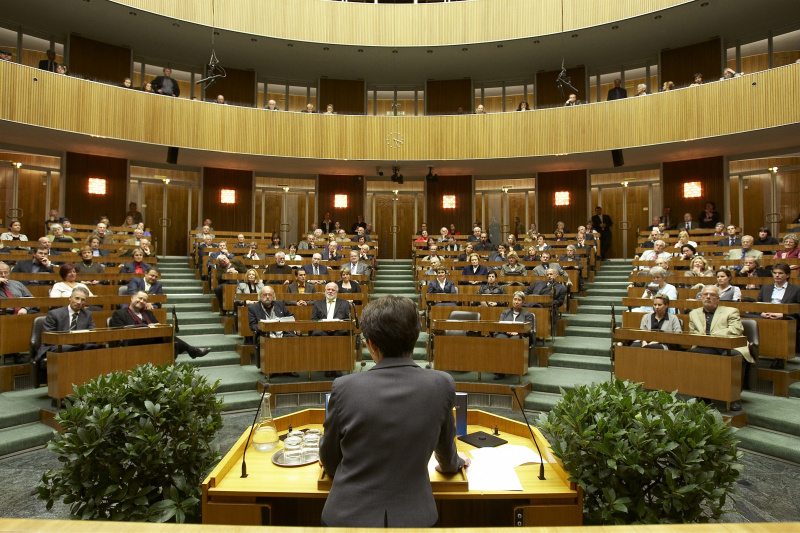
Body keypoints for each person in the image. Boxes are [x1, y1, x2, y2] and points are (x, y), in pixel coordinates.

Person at [319, 295, 467, 527]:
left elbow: (329, 461)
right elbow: (448, 461)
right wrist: (458, 461)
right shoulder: (442, 384)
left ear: (371, 344)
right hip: (417, 518)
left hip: (347, 517)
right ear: (416, 336)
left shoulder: (344, 387)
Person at [688, 285, 751, 411]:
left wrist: (713, 336)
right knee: (692, 354)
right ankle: (703, 394)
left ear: (718, 298)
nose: (708, 297)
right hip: (706, 346)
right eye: (705, 294)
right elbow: (693, 333)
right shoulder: (694, 313)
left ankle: (734, 397)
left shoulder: (731, 311)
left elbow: (736, 330)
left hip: (727, 345)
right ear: (701, 297)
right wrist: (707, 340)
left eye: (712, 295)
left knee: (732, 358)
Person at [111, 291, 210, 359]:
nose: (142, 301)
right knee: (169, 340)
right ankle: (192, 350)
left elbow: (157, 327)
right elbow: (120, 332)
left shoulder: (149, 313)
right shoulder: (119, 313)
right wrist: (146, 327)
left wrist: (157, 327)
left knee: (170, 340)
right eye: (140, 298)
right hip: (132, 342)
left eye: (144, 300)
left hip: (152, 339)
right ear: (132, 298)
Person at [34, 287, 97, 371]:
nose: (79, 302)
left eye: (82, 300)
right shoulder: (54, 314)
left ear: (85, 302)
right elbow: (49, 337)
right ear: (70, 298)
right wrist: (71, 342)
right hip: (56, 345)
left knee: (93, 347)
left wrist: (82, 341)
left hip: (79, 345)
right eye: (77, 298)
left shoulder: (87, 314)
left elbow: (92, 333)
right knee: (71, 349)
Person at [248, 286, 296, 369]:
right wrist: (264, 326)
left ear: (273, 296)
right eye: (265, 295)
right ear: (260, 296)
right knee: (268, 342)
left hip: (281, 332)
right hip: (264, 334)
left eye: (269, 295)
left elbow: (291, 316)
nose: (267, 297)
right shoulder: (253, 308)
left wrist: (294, 326)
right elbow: (252, 325)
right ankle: (271, 369)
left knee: (293, 339)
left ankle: (289, 368)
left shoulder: (279, 304)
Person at [491, 291, 534, 380]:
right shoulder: (505, 313)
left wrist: (518, 332)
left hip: (519, 335)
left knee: (515, 341)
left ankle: (514, 368)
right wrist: (507, 331)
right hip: (504, 333)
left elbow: (529, 329)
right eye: (515, 299)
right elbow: (499, 326)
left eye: (519, 300)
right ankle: (500, 371)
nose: (516, 302)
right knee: (500, 339)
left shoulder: (528, 315)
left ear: (523, 302)